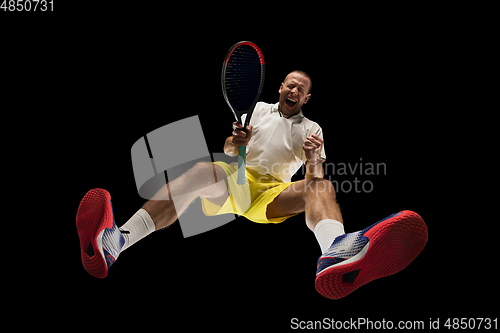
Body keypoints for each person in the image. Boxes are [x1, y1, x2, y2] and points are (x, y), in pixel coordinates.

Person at [76, 71, 427, 299]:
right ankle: (117, 241)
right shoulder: (257, 110)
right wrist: (236, 141)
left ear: (306, 100)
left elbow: (315, 179)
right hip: (234, 180)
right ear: (280, 88)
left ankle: (334, 251)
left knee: (321, 188)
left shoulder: (313, 130)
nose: (294, 90)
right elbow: (230, 151)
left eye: (301, 89)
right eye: (290, 84)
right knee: (199, 171)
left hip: (270, 194)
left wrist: (315, 157)